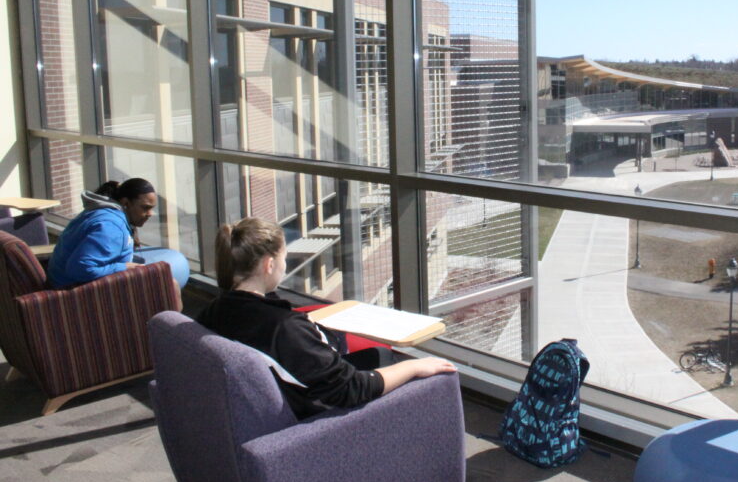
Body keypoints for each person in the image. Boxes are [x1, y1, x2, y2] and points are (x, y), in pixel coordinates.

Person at [196, 217, 455, 419]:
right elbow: (351, 389)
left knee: (380, 355)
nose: (286, 264)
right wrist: (416, 366)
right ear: (269, 264)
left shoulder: (215, 310)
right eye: (284, 257)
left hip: (269, 401)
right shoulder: (285, 328)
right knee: (408, 368)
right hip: (308, 416)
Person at [48, 178, 190, 289]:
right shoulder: (111, 228)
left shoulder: (103, 213)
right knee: (171, 286)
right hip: (73, 291)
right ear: (125, 202)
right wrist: (122, 267)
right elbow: (79, 268)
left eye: (152, 208)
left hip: (62, 280)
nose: (150, 214)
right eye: (145, 208)